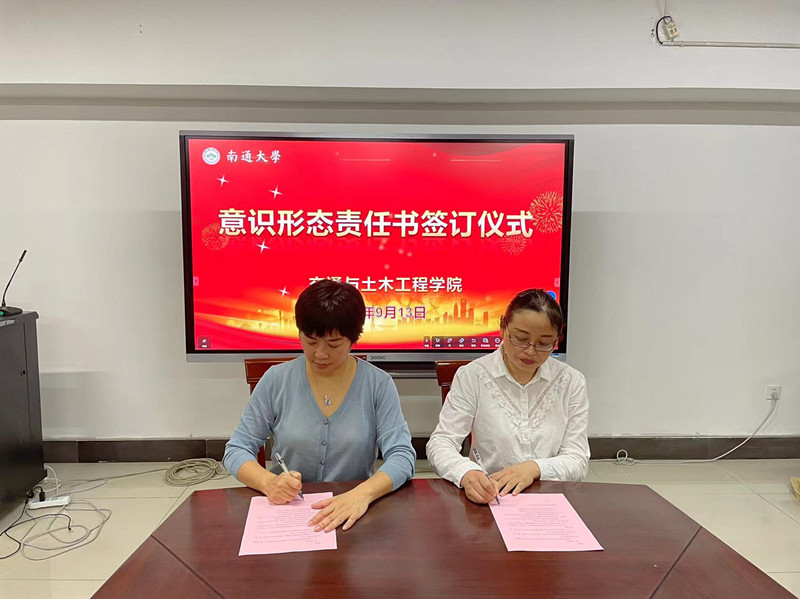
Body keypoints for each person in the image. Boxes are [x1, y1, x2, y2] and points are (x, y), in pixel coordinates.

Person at [223, 280, 416, 531]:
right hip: (288, 512)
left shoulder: (378, 384)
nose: (320, 354)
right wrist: (269, 483)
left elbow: (402, 456)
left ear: (354, 339)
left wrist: (363, 494)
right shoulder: (276, 380)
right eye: (311, 341)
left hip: (353, 513)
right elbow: (236, 450)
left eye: (333, 344)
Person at [426, 289, 589, 504]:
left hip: (549, 497)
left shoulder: (571, 381)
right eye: (521, 339)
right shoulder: (473, 375)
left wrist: (534, 468)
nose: (530, 351)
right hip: (492, 496)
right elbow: (441, 442)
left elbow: (578, 459)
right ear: (503, 327)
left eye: (543, 343)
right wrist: (466, 472)